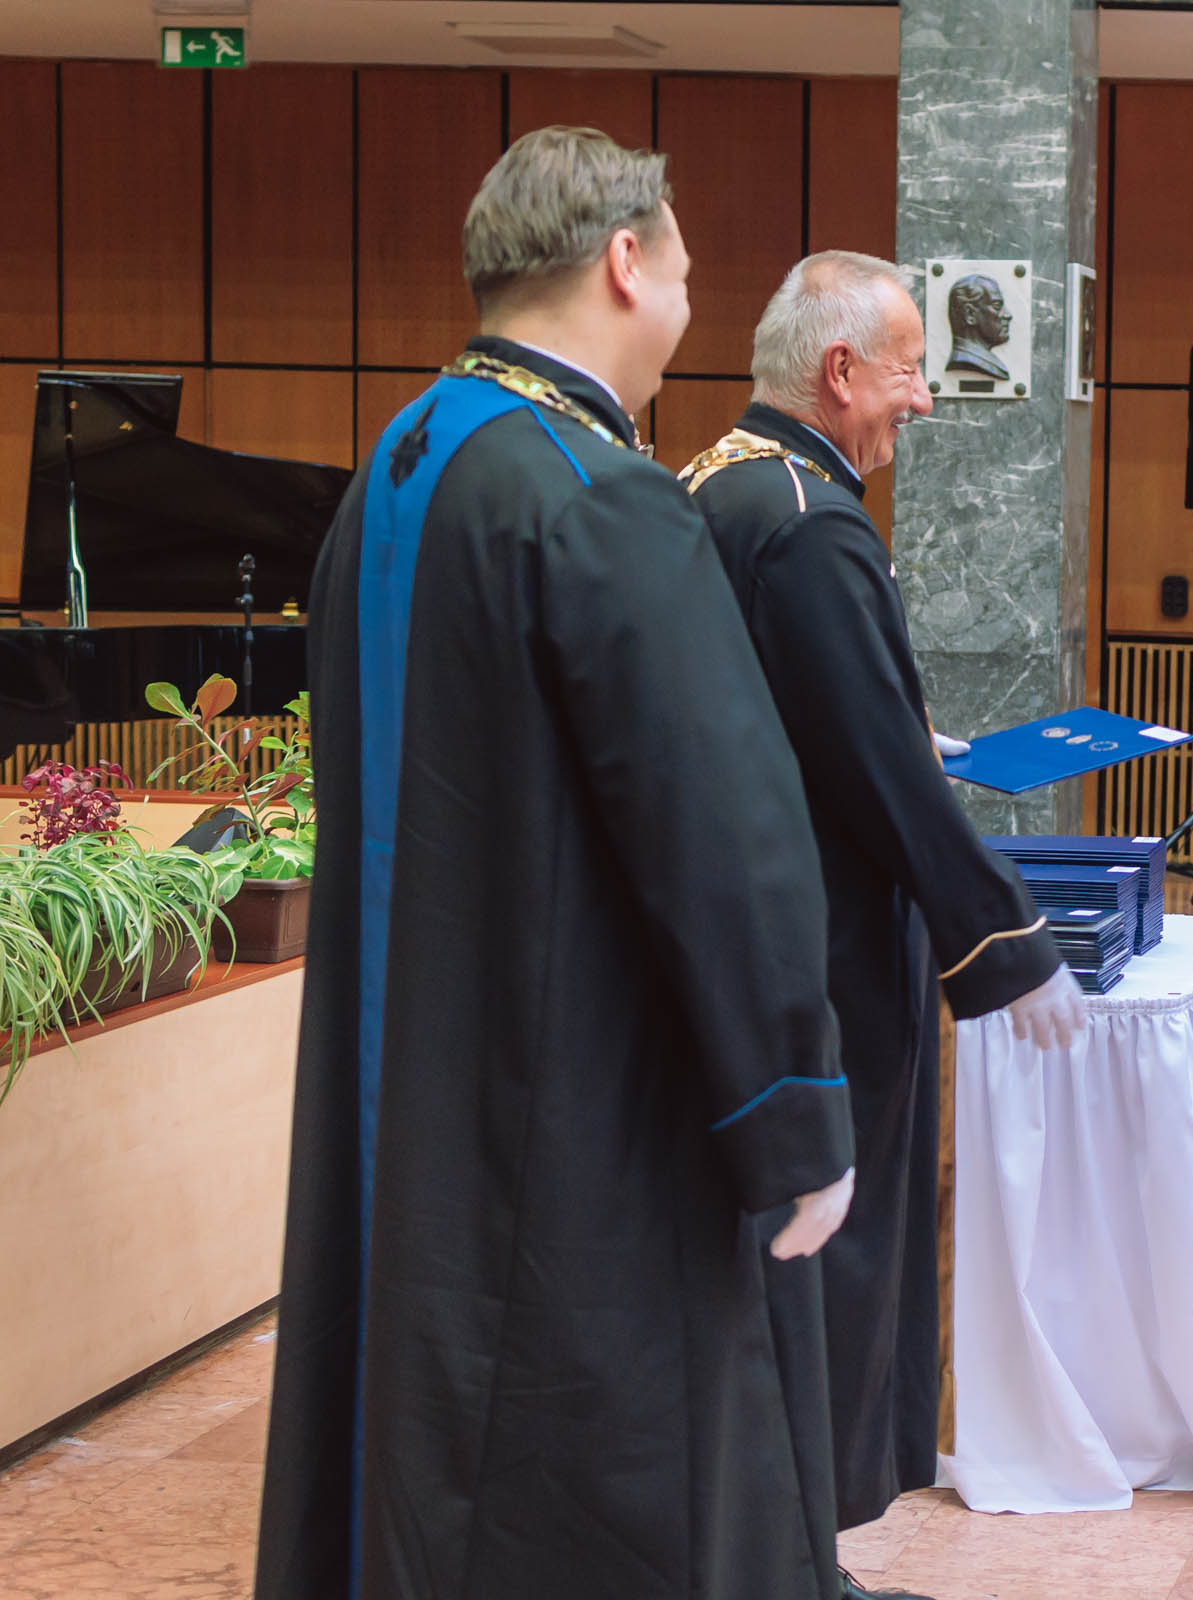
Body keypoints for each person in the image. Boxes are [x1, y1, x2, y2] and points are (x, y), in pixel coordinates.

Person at [256, 127, 858, 1600]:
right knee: (598, 1464)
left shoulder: (402, 461)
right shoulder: (595, 492)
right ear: (624, 262)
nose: (691, 305)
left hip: (413, 1086)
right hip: (577, 1102)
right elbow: (727, 835)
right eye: (690, 272)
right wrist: (794, 1109)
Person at [681, 250, 1088, 1600]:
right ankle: (804, 1566)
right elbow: (877, 778)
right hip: (827, 956)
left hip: (732, 939)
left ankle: (781, 1557)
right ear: (841, 369)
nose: (922, 398)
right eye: (909, 370)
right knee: (828, 1256)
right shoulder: (811, 521)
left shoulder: (715, 482)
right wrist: (1006, 942)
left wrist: (889, 721)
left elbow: (790, 716)